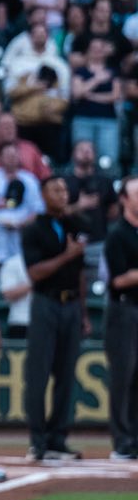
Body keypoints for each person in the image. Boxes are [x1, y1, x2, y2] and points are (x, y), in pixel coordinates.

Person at [18, 175, 86, 461]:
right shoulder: (33, 229)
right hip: (45, 302)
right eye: (55, 190)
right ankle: (38, 440)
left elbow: (81, 274)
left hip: (71, 304)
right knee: (39, 374)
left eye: (64, 190)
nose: (62, 194)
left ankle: (58, 438)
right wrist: (67, 255)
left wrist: (83, 313)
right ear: (43, 195)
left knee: (67, 375)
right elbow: (34, 273)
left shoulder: (75, 224)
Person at [104, 177, 138, 460]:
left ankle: (135, 438)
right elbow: (117, 280)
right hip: (123, 310)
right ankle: (122, 441)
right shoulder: (117, 234)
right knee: (123, 377)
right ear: (124, 199)